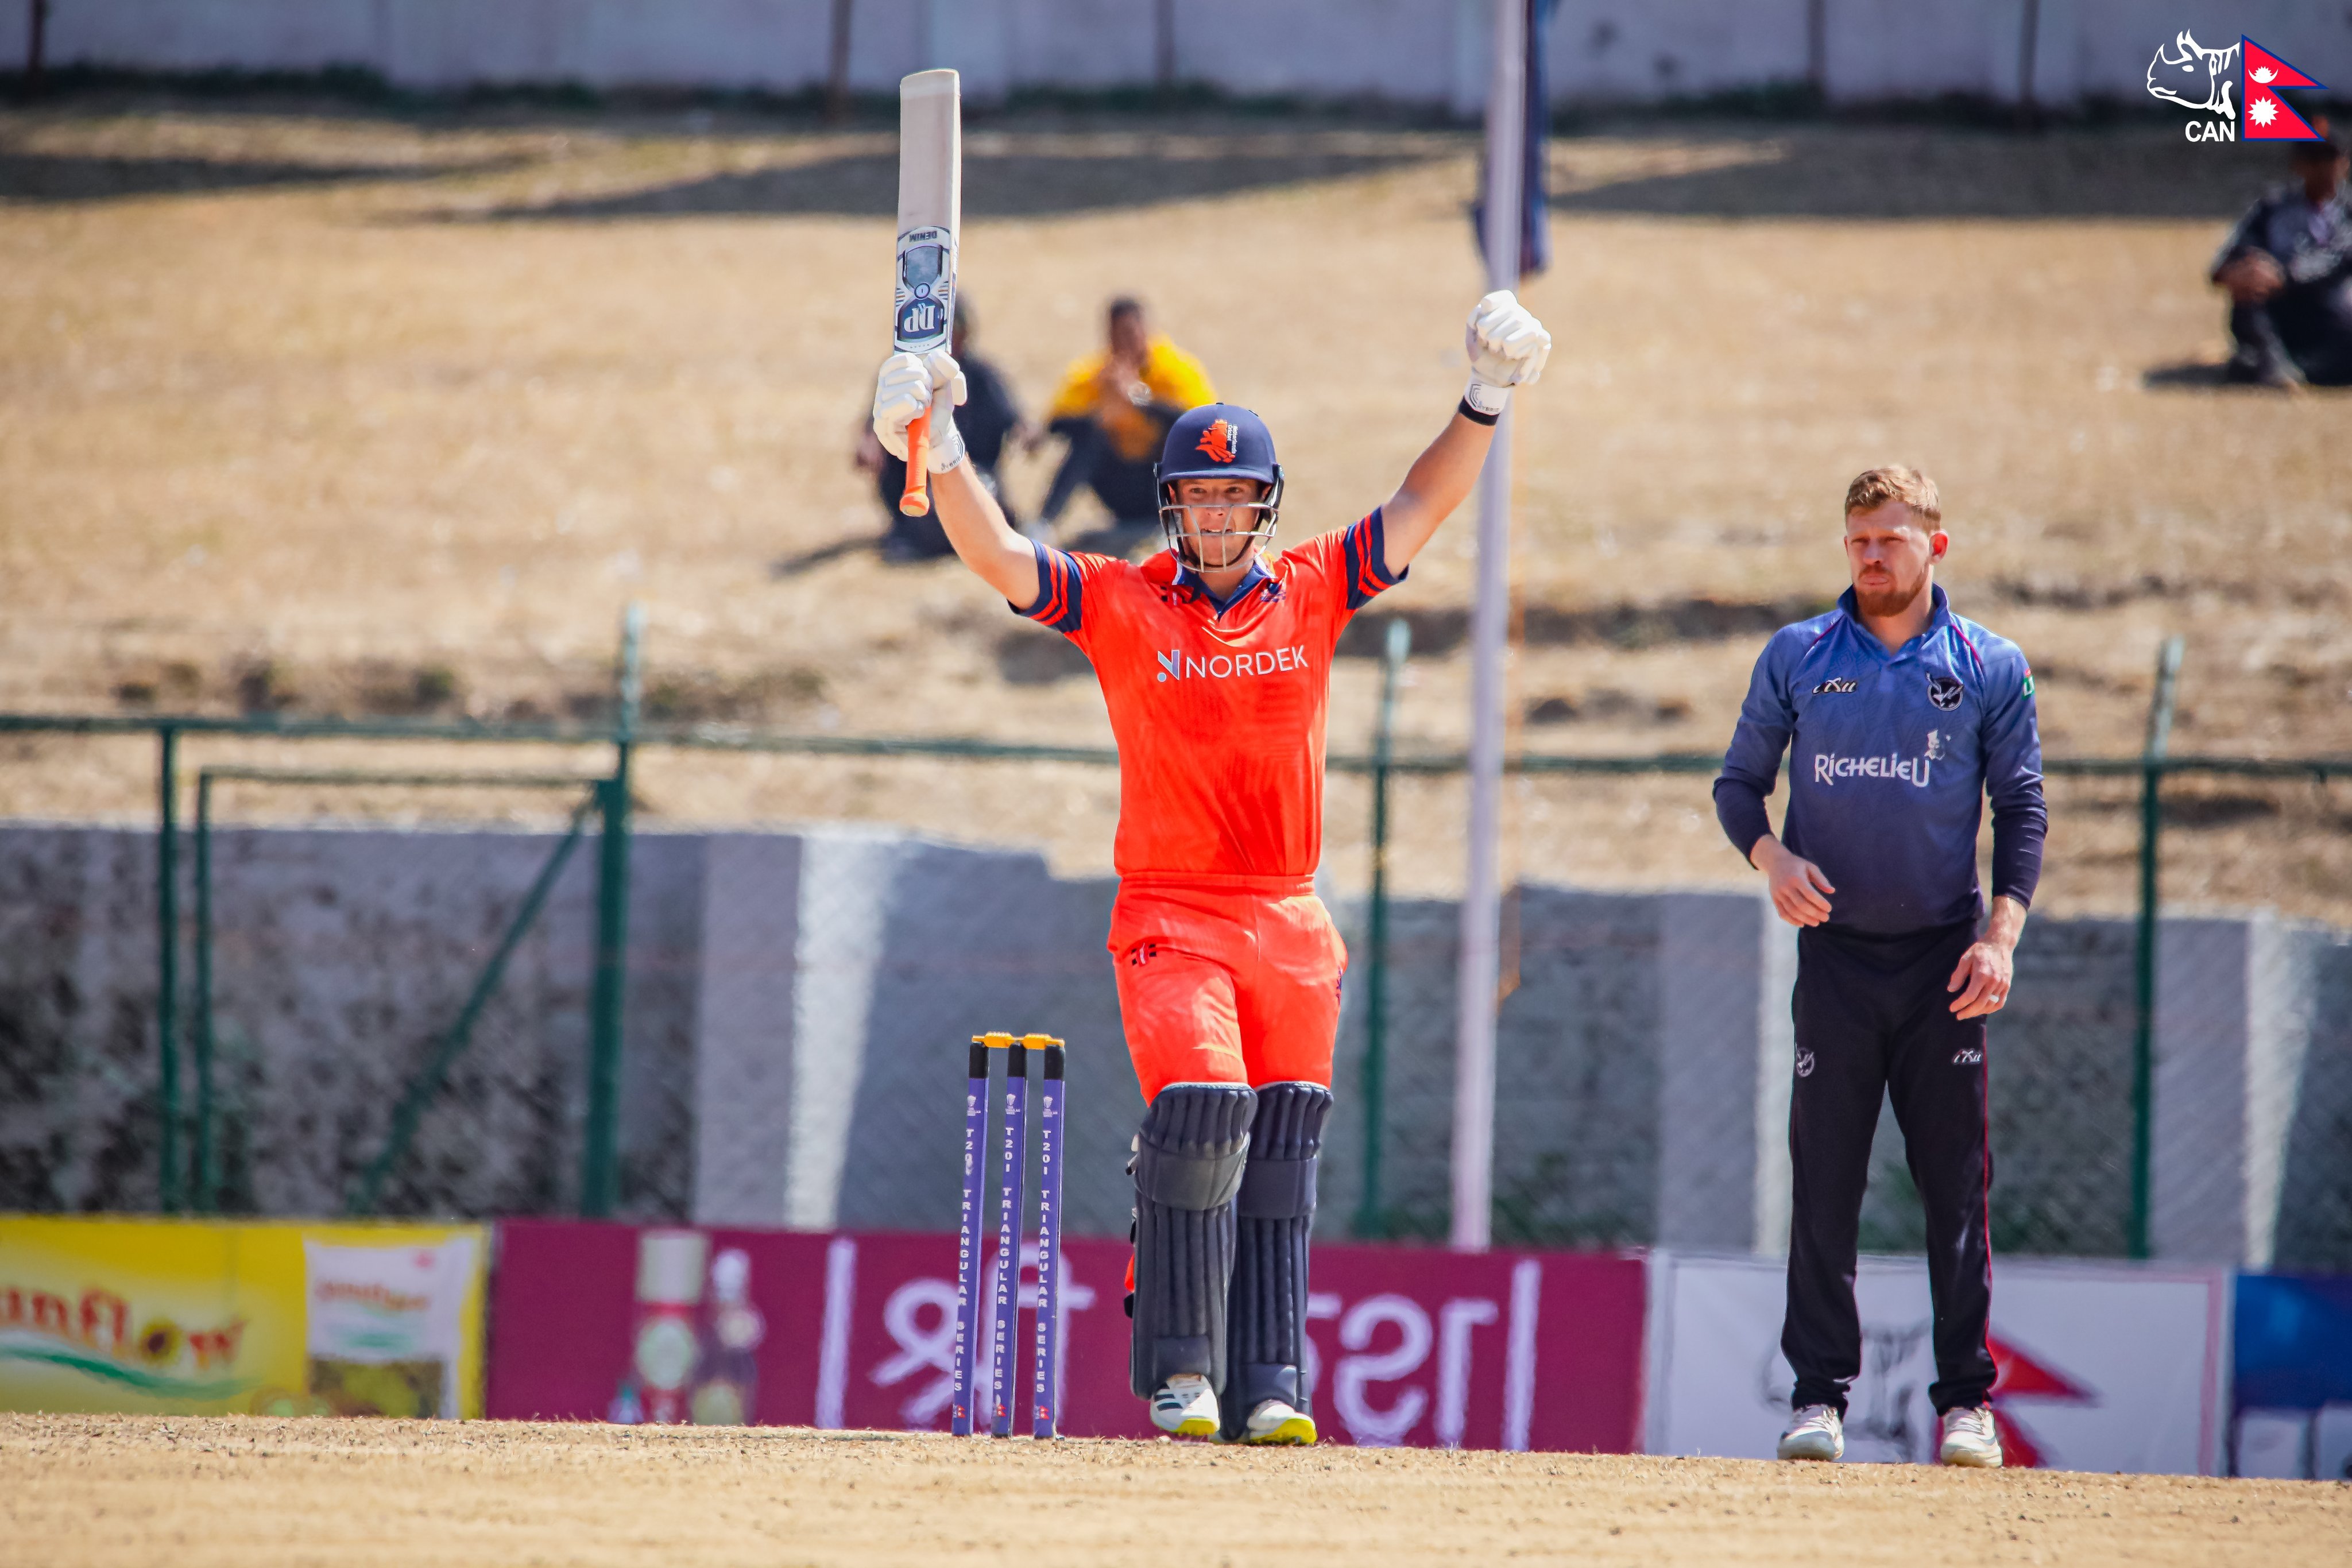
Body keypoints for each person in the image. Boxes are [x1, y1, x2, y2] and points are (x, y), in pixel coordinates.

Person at [872, 292, 1551, 1444]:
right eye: (1197, 498)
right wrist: (938, 447)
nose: (1217, 517)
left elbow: (1421, 500)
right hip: (1172, 914)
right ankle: (1182, 1372)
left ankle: (1272, 1379)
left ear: (1264, 508)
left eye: (1235, 499)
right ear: (1171, 508)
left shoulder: (1314, 586)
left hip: (1291, 917)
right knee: (1199, 1109)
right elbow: (995, 552)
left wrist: (1481, 400)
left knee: (1281, 1146)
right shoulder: (1124, 600)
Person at [1713, 467, 2046, 1470]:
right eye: (1856, 539)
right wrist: (1772, 858)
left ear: (1934, 545)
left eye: (1889, 539)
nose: (1869, 556)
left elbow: (2022, 808)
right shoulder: (1800, 655)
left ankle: (1965, 1405)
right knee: (1824, 1184)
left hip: (1947, 962)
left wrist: (2001, 937)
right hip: (1839, 962)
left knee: (1955, 1186)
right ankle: (1818, 1398)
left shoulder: (1988, 663)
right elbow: (1738, 787)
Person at [854, 299, 1030, 557]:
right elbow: (875, 421)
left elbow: (1015, 419)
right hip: (916, 478)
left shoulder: (982, 375)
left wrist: (1027, 432)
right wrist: (869, 443)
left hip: (973, 472)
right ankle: (912, 533)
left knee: (978, 508)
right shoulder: (905, 373)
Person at [1034, 297, 1216, 544]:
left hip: (1161, 483)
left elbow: (1205, 424)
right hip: (1119, 486)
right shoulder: (1096, 374)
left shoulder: (1176, 369)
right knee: (1089, 438)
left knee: (1179, 439)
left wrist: (1141, 402)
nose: (1124, 344)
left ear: (1146, 331)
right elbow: (1057, 423)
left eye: (1130, 334)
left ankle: (1175, 526)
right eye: (1116, 336)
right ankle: (1042, 524)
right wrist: (1099, 414)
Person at [2211, 119, 2352, 388]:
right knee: (2249, 285)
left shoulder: (2347, 213)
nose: (2326, 169)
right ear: (2298, 164)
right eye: (2315, 159)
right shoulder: (2272, 208)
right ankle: (2271, 362)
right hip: (2281, 308)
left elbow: (2341, 258)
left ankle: (2290, 369)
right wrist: (2241, 271)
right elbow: (2230, 257)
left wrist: (2285, 275)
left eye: (2332, 158)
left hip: (2332, 312)